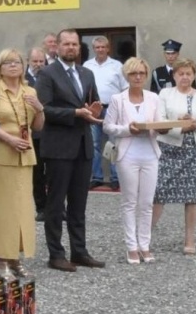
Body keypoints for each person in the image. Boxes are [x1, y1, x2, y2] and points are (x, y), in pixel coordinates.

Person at [35, 29, 106, 271]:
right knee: (56, 205)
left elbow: (93, 103)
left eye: (75, 44)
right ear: (57, 47)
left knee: (79, 204)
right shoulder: (47, 74)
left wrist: (95, 112)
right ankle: (56, 254)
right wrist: (75, 113)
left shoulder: (87, 73)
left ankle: (79, 251)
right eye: (66, 44)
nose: (71, 48)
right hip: (58, 147)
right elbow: (44, 109)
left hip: (83, 146)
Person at [0, 49, 44, 280]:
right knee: (3, 210)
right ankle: (1, 259)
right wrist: (8, 138)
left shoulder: (30, 91)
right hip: (1, 156)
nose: (13, 66)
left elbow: (38, 127)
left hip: (25, 156)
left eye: (17, 62)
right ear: (0, 67)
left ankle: (16, 258)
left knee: (22, 210)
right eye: (7, 62)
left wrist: (39, 108)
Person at [152, 58, 196, 254]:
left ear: (194, 75)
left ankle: (189, 240)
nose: (185, 77)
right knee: (159, 192)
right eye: (181, 74)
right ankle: (143, 238)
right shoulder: (165, 94)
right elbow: (159, 122)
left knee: (193, 196)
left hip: (195, 150)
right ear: (174, 75)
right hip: (170, 149)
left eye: (188, 73)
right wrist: (179, 124)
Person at [104, 57, 164, 263]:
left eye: (141, 73)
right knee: (130, 201)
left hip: (150, 152)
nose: (138, 77)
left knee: (147, 203)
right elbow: (108, 126)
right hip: (127, 154)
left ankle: (145, 245)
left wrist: (157, 128)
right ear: (127, 76)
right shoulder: (117, 99)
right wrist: (126, 129)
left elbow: (160, 124)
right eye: (133, 73)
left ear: (146, 76)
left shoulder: (154, 98)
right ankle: (131, 246)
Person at [84, 35, 126, 188]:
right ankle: (97, 176)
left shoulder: (117, 66)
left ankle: (115, 177)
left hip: (112, 109)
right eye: (97, 47)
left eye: (103, 47)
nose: (100, 50)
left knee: (114, 143)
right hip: (93, 109)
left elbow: (125, 88)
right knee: (94, 144)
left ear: (108, 48)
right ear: (94, 49)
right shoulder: (87, 65)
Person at [26, 46, 50, 215]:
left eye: (41, 61)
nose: (38, 64)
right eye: (35, 61)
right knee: (37, 172)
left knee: (54, 172)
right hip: (32, 133)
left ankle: (57, 207)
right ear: (28, 61)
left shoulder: (50, 77)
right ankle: (41, 206)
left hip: (50, 131)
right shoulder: (22, 79)